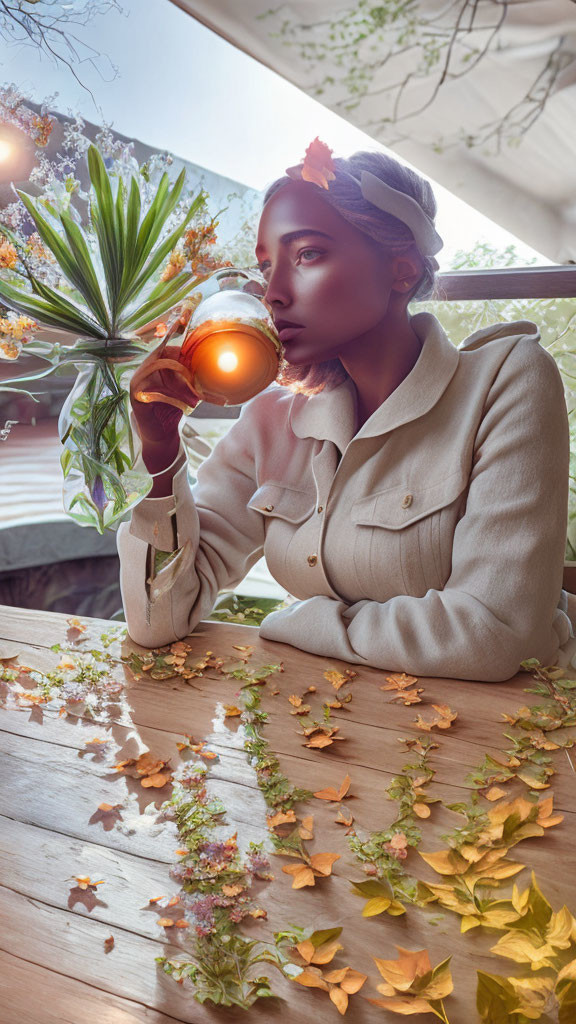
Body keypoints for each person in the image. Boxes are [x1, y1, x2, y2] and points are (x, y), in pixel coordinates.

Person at [117, 141, 576, 682]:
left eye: (307, 254)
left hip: (505, 744)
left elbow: (495, 632)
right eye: (267, 267)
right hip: (323, 736)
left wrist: (301, 624)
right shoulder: (272, 420)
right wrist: (161, 455)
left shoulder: (507, 381)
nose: (273, 294)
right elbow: (157, 621)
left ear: (401, 269)